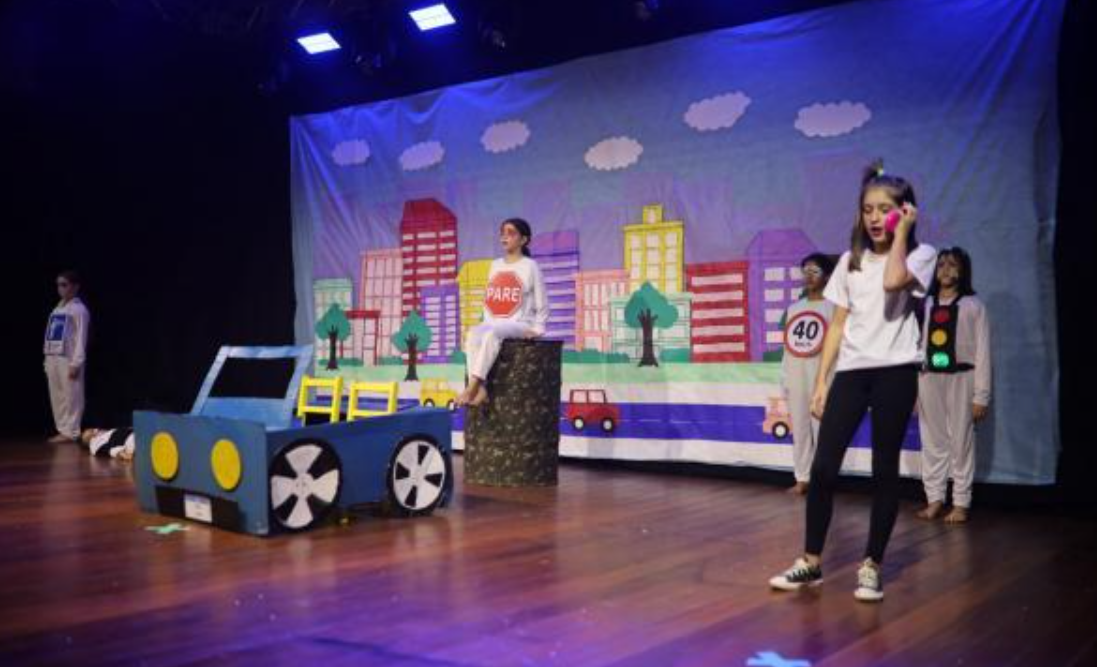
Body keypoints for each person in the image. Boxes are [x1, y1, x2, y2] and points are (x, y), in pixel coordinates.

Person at [769, 162, 937, 602]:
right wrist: (822, 381)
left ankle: (871, 565)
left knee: (884, 470)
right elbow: (838, 325)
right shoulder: (849, 262)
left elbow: (894, 280)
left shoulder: (921, 255)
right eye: (868, 210)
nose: (875, 218)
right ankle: (811, 561)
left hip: (896, 372)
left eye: (885, 209)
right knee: (823, 467)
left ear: (905, 211)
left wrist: (902, 233)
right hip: (852, 373)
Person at [915, 247, 991, 524]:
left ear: (962, 270)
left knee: (961, 441)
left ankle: (960, 502)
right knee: (932, 440)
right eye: (941, 265)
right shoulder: (926, 304)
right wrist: (915, 387)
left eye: (952, 264)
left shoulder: (973, 305)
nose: (945, 269)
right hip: (930, 378)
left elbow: (983, 352)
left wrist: (981, 395)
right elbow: (918, 344)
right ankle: (934, 499)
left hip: (963, 377)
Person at [456, 218, 548, 407]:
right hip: (493, 321)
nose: (504, 237)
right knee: (472, 334)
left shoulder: (530, 266)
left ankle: (472, 386)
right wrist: (485, 321)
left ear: (524, 240)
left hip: (520, 324)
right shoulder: (495, 265)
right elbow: (491, 296)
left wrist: (538, 328)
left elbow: (542, 301)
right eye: (502, 233)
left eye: (511, 233)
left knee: (493, 334)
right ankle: (481, 390)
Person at [781, 253, 837, 495]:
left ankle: (823, 477)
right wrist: (785, 376)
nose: (809, 276)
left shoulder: (834, 307)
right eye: (805, 271)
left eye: (815, 271)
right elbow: (788, 345)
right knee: (801, 428)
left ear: (827, 276)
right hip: (797, 372)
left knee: (822, 428)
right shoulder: (794, 308)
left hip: (823, 374)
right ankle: (802, 477)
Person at [44, 270, 91, 443]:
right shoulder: (57, 309)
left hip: (69, 359)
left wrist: (76, 362)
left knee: (72, 395)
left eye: (64, 284)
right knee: (57, 396)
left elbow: (81, 338)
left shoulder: (79, 310)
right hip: (54, 358)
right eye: (58, 285)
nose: (60, 288)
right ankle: (62, 429)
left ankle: (71, 431)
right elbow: (50, 334)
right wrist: (47, 359)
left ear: (75, 287)